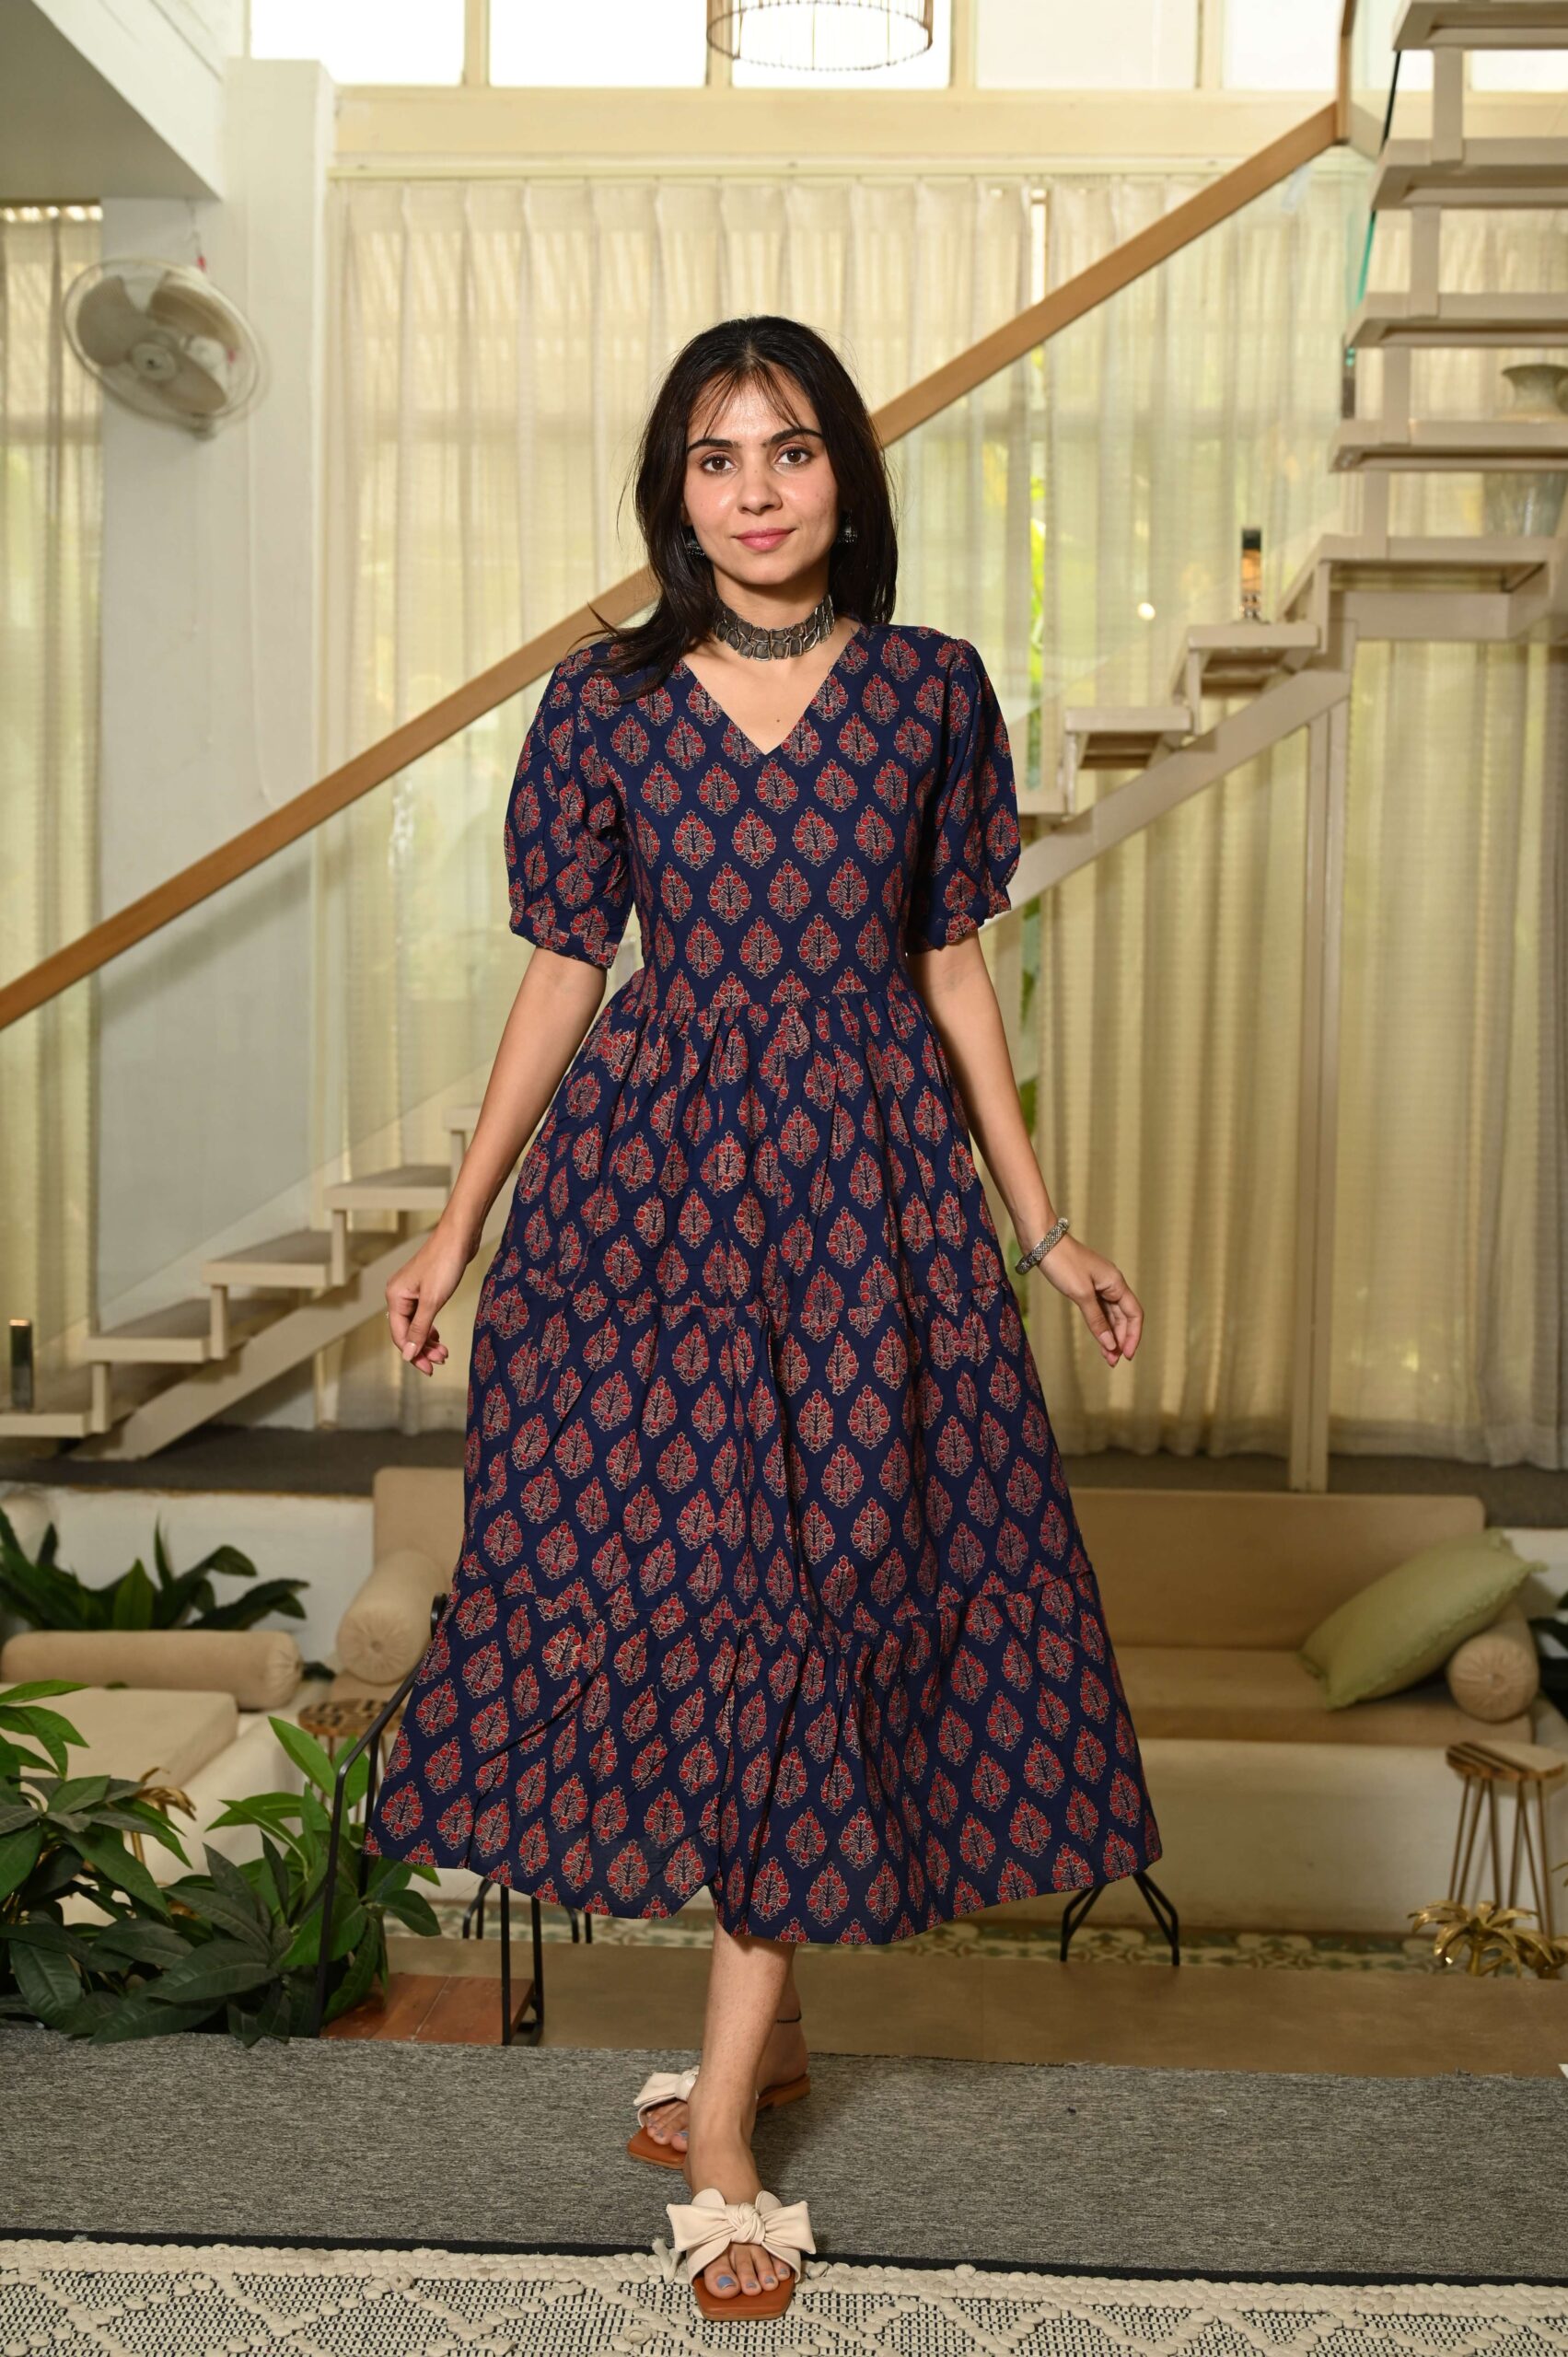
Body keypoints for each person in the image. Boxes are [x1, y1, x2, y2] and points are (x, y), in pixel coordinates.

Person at [366, 313, 1163, 2324]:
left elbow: (954, 969)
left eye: (789, 448)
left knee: (829, 1591)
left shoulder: (931, 689)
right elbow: (566, 971)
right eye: (715, 457)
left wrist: (1046, 1227)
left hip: (868, 1210)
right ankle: (749, 2083)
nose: (755, 489)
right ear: (675, 490)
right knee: (711, 1591)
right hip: (648, 1214)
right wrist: (456, 1225)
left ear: (842, 475)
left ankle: (727, 2109)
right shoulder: (605, 702)